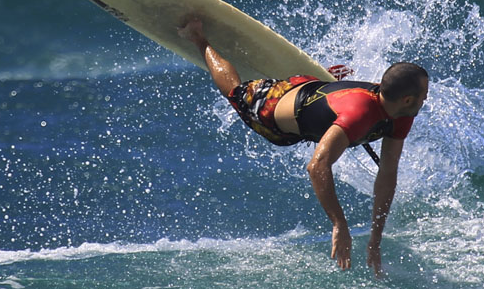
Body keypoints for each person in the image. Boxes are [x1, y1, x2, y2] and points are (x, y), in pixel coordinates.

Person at [178, 19, 428, 275]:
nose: (426, 99)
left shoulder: (403, 115)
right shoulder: (359, 115)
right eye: (423, 95)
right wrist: (339, 224)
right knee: (237, 93)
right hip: (273, 110)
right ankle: (197, 37)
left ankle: (327, 84)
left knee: (322, 97)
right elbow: (317, 166)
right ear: (407, 99)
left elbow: (387, 174)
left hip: (313, 87)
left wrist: (376, 240)